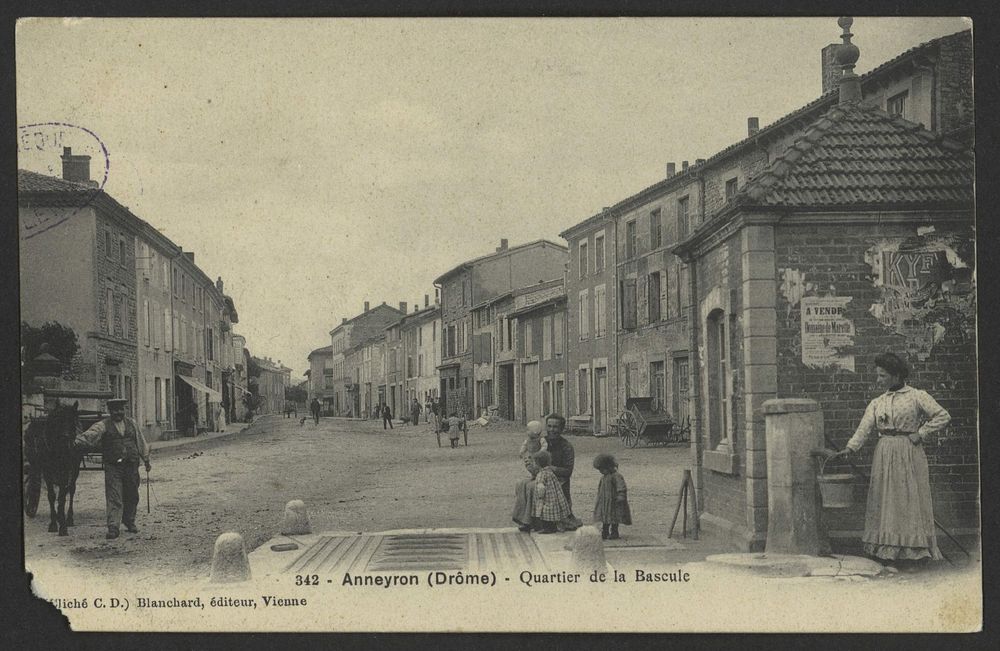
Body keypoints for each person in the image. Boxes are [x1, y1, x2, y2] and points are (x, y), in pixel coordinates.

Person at [825, 352, 950, 568]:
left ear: (896, 375)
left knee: (907, 499)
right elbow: (864, 429)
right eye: (878, 375)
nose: (878, 380)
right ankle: (886, 550)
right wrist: (849, 448)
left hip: (908, 452)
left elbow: (943, 416)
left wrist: (921, 433)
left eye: (882, 376)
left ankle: (912, 552)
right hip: (884, 453)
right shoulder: (877, 402)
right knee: (885, 500)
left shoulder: (917, 396)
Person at [73, 398, 151, 539]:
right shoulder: (103, 425)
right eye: (115, 410)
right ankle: (113, 526)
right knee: (114, 495)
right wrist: (76, 441)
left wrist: (146, 458)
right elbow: (91, 435)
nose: (118, 413)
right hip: (113, 466)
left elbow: (140, 441)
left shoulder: (132, 423)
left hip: (131, 465)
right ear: (110, 411)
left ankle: (129, 521)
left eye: (120, 409)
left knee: (132, 494)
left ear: (124, 410)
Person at [543, 413, 581, 530]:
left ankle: (554, 520)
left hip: (559, 479)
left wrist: (552, 469)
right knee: (524, 485)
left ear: (561, 429)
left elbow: (568, 471)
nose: (551, 430)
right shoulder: (542, 442)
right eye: (549, 426)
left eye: (555, 427)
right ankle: (528, 520)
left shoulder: (566, 446)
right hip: (542, 477)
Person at [592, 453, 632, 540]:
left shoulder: (616, 476)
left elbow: (621, 486)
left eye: (602, 469)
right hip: (606, 502)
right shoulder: (604, 478)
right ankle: (605, 532)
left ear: (608, 467)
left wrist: (621, 495)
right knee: (605, 518)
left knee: (614, 518)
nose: (601, 471)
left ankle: (614, 532)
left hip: (614, 502)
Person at [531, 450, 571, 534]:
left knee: (545, 513)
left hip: (547, 498)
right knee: (551, 512)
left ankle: (548, 528)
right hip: (554, 496)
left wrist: (540, 496)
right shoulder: (550, 472)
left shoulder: (541, 474)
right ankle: (554, 527)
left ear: (538, 464)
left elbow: (541, 486)